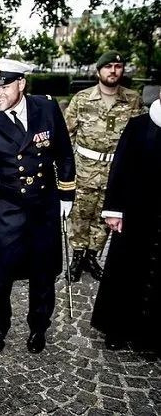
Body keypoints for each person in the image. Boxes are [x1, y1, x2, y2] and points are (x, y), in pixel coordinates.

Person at [0, 58, 76, 354]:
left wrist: (66, 194)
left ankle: (39, 326)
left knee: (43, 274)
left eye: (4, 86)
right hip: (6, 209)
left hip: (44, 207)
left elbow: (63, 152)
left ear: (22, 84)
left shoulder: (46, 108)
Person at [65, 50, 147, 282]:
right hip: (85, 169)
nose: (113, 71)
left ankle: (92, 256)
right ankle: (77, 256)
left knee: (105, 216)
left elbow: (140, 137)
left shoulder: (133, 100)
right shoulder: (82, 99)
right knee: (81, 214)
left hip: (116, 172)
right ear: (98, 70)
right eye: (108, 66)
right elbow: (66, 133)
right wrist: (66, 167)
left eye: (118, 67)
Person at [90, 88, 161, 354]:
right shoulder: (139, 125)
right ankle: (116, 329)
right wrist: (114, 209)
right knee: (127, 272)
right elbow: (120, 167)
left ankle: (151, 338)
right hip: (136, 214)